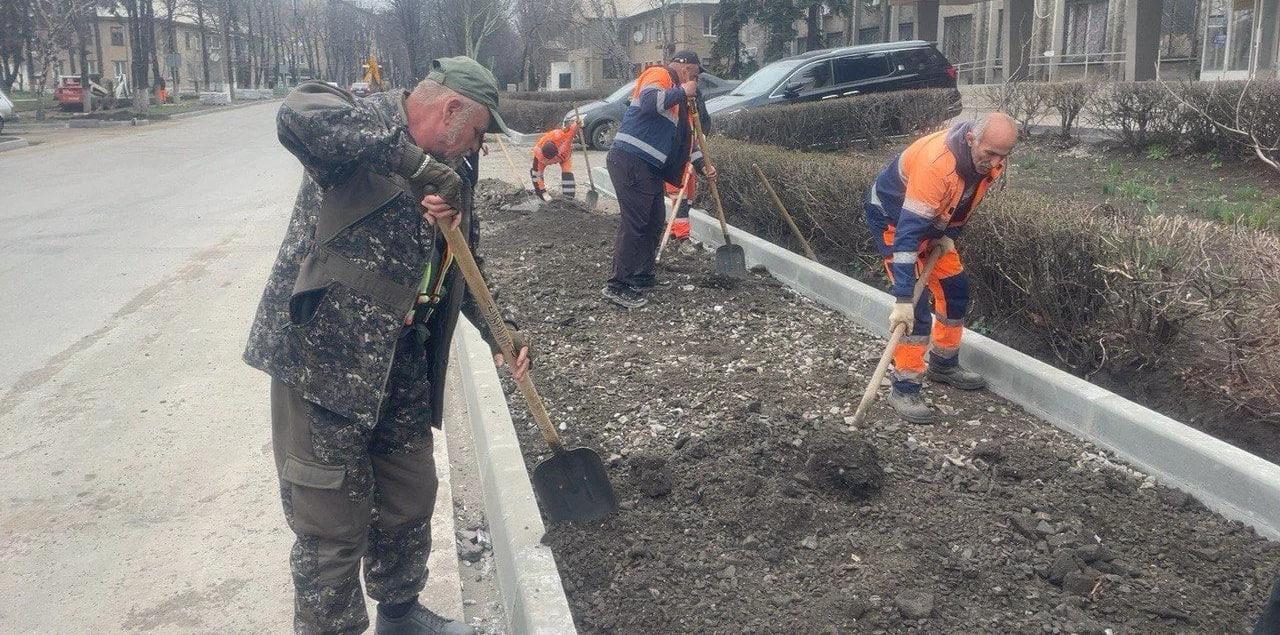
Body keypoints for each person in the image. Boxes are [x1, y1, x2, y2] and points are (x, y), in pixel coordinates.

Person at [243, 56, 529, 635]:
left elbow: (463, 265)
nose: (475, 147)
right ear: (450, 110)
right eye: (475, 132)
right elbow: (298, 112)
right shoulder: (362, 127)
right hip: (324, 363)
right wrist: (416, 165)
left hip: (398, 364)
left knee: (409, 497)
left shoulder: (458, 172)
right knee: (329, 527)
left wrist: (502, 330)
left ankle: (400, 615)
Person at [864, 112, 1017, 424]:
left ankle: (943, 364)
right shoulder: (938, 164)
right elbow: (907, 236)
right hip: (894, 220)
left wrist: (948, 235)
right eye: (990, 154)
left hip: (932, 222)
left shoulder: (988, 160)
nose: (996, 163)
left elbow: (965, 201)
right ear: (972, 139)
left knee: (955, 289)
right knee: (918, 312)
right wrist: (903, 300)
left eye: (1003, 156)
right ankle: (905, 386)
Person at [602, 51, 716, 309]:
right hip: (630, 160)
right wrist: (682, 91)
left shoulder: (680, 99)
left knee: (654, 221)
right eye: (695, 75)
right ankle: (617, 284)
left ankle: (642, 275)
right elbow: (650, 102)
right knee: (635, 224)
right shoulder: (659, 75)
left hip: (649, 168)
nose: (696, 81)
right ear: (685, 67)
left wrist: (702, 165)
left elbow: (687, 141)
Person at [530, 120, 580, 202]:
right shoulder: (539, 155)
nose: (553, 162)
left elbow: (571, 131)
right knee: (537, 175)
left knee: (567, 172)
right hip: (546, 158)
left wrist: (577, 124)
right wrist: (544, 195)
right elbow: (537, 176)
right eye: (549, 160)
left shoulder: (564, 141)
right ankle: (542, 195)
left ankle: (569, 198)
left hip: (564, 157)